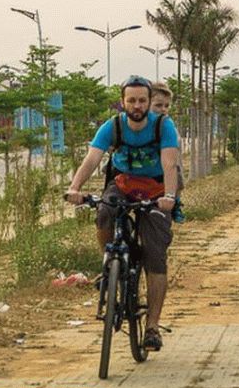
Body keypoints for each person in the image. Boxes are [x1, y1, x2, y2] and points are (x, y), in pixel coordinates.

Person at [65, 75, 179, 351]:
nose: (137, 106)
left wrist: (169, 196)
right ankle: (110, 264)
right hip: (123, 184)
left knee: (155, 256)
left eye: (142, 100)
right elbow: (92, 158)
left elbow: (170, 163)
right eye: (131, 100)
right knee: (104, 212)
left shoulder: (163, 125)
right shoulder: (113, 126)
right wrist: (75, 188)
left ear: (149, 102)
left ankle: (152, 328)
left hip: (155, 190)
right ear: (123, 102)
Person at [149, 80, 185, 222]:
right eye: (158, 105)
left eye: (166, 106)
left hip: (164, 159)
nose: (163, 109)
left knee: (176, 173)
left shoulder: (168, 125)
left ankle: (176, 202)